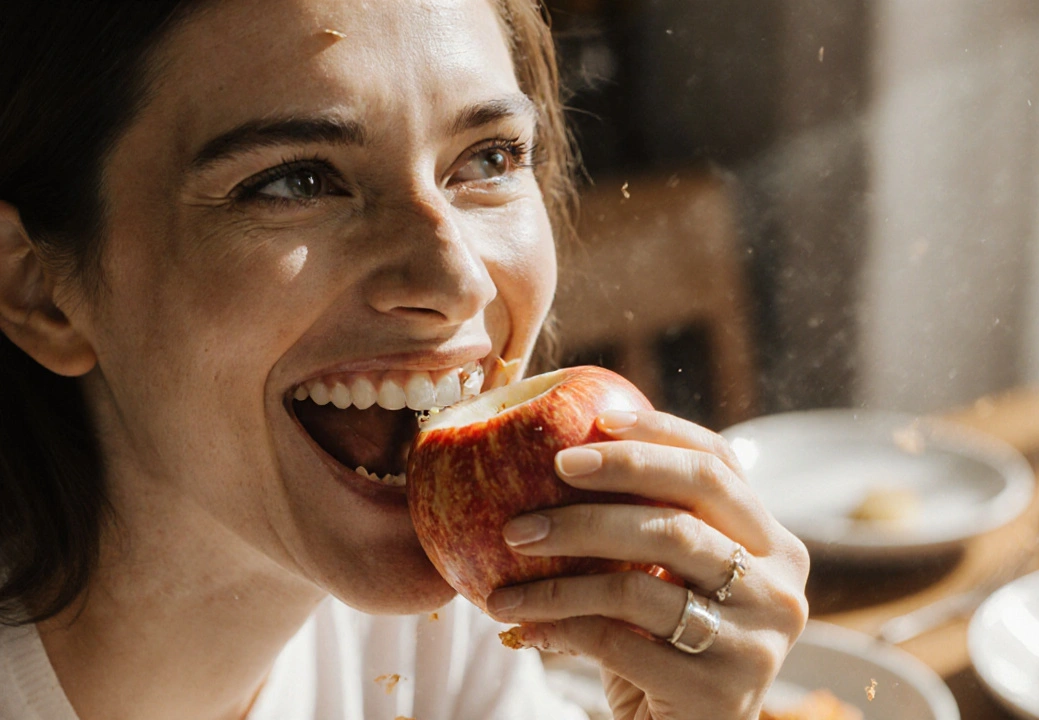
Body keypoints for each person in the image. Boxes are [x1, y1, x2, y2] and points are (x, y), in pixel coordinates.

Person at [0, 1, 811, 718]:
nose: (455, 280)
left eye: (490, 158)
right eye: (295, 182)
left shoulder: (447, 632)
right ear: (39, 290)